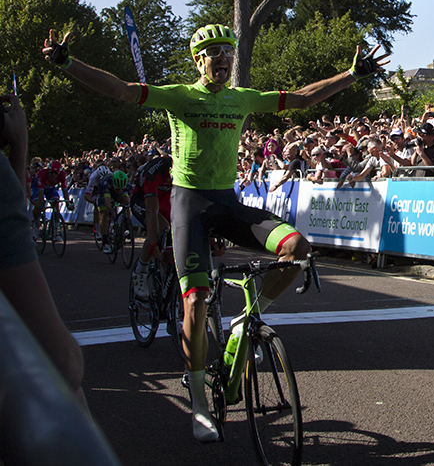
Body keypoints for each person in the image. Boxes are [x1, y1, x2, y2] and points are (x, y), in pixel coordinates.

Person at [43, 24, 388, 442]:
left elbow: (300, 98)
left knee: (297, 247)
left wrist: (351, 74)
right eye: (214, 52)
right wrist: (67, 62)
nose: (223, 57)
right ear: (198, 61)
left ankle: (247, 319)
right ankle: (200, 404)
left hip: (227, 203)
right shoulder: (179, 96)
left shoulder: (242, 98)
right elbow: (120, 89)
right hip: (190, 207)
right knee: (196, 303)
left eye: (228, 50)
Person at [0, 94, 87, 410]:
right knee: (36, 205)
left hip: (51, 190)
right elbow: (31, 188)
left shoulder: (58, 174)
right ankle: (33, 226)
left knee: (53, 201)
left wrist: (63, 199)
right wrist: (18, 147)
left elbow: (62, 189)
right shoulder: (42, 174)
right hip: (38, 189)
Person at [130, 155, 173, 299]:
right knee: (162, 228)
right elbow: (151, 211)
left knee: (170, 254)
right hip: (142, 199)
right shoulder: (155, 169)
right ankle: (141, 269)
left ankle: (169, 295)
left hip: (166, 200)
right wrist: (154, 242)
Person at [30, 160, 73, 235]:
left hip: (50, 188)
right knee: (38, 205)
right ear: (48, 170)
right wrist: (41, 203)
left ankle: (55, 232)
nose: (53, 175)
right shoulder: (42, 173)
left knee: (56, 205)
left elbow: (64, 190)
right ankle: (36, 225)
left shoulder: (62, 175)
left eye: (56, 173)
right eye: (52, 173)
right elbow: (40, 191)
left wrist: (68, 203)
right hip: (37, 187)